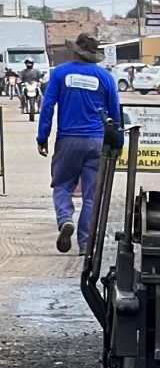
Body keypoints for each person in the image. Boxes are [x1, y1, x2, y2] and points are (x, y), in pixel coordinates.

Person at [37, 33, 121, 254]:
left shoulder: (61, 73)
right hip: (97, 141)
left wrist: (42, 136)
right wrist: (118, 143)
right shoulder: (105, 77)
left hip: (68, 140)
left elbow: (47, 107)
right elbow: (115, 113)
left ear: (75, 50)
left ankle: (65, 219)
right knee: (92, 195)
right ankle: (85, 243)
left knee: (62, 185)